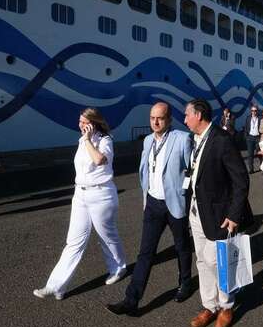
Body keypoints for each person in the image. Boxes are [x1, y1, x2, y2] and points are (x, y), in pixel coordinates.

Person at [107, 102, 194, 315]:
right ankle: (131, 299)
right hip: (153, 204)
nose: (155, 122)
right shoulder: (147, 141)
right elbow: (145, 170)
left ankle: (185, 283)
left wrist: (186, 197)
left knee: (182, 247)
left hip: (175, 203)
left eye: (160, 118)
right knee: (145, 252)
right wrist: (146, 196)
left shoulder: (182, 138)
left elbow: (190, 172)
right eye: (152, 118)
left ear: (169, 119)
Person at [33, 108, 127, 299]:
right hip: (81, 194)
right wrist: (85, 140)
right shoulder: (82, 140)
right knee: (74, 241)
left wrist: (88, 141)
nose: (80, 125)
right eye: (79, 121)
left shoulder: (105, 140)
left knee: (106, 236)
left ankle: (118, 268)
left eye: (84, 122)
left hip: (101, 194)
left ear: (93, 123)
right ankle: (56, 286)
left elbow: (100, 160)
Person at [184, 99, 250, 327]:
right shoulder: (196, 139)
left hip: (220, 214)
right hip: (196, 211)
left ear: (199, 115)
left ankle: (227, 305)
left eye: (187, 115)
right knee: (201, 260)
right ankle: (209, 306)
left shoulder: (222, 140)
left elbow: (241, 180)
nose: (185, 120)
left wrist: (234, 214)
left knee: (218, 261)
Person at [244, 106, 261, 173]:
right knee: (250, 154)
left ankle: (262, 167)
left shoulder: (260, 118)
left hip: (258, 137)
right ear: (251, 111)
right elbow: (246, 127)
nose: (254, 112)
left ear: (257, 111)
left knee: (259, 153)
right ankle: (251, 169)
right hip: (250, 138)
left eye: (255, 110)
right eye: (252, 110)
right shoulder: (248, 118)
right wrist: (246, 137)